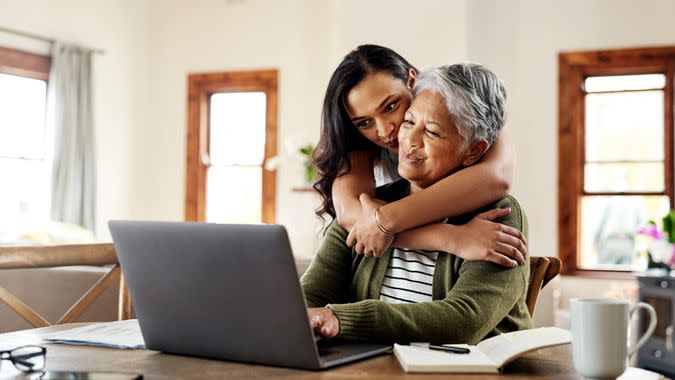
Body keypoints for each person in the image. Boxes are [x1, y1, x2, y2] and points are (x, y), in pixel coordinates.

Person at [302, 63, 533, 344]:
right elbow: (309, 294)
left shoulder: (501, 214)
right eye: (409, 122)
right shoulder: (369, 208)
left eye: (432, 132)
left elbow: (465, 321)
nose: (406, 139)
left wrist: (342, 319)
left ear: (473, 151)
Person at [313, 45, 526, 266]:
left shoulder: (466, 111)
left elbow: (495, 178)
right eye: (365, 122)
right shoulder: (358, 143)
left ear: (412, 81)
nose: (385, 131)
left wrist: (384, 220)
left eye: (390, 106)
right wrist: (451, 238)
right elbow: (352, 215)